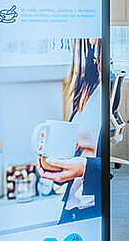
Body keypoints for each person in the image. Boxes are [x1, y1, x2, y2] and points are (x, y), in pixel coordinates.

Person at [37, 38, 103, 223]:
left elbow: (111, 172)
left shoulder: (109, 86)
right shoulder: (88, 84)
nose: (92, 40)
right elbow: (82, 148)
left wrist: (85, 169)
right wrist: (57, 153)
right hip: (74, 201)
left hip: (92, 206)